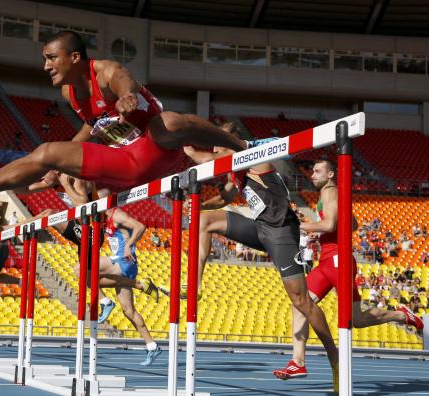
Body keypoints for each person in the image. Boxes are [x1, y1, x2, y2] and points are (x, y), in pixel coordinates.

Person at [0, 30, 268, 216]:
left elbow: (124, 81)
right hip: (125, 163)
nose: (45, 66)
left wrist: (128, 96)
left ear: (75, 57)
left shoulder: (107, 72)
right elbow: (94, 129)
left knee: (168, 123)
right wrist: (61, 160)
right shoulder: (71, 94)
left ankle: (243, 148)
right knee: (48, 151)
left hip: (159, 150)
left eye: (51, 58)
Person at [183, 141, 340, 390]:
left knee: (301, 302)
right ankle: (196, 285)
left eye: (218, 150)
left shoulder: (257, 162)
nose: (215, 154)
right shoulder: (238, 174)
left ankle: (334, 357)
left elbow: (206, 160)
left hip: (281, 233)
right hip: (259, 228)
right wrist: (199, 205)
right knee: (203, 221)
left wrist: (190, 150)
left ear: (230, 150)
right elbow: (224, 197)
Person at [273, 160, 424, 381]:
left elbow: (329, 225)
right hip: (326, 260)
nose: (312, 175)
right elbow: (351, 225)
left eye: (317, 171)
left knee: (357, 320)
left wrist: (298, 226)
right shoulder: (332, 194)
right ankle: (298, 363)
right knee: (300, 305)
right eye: (312, 171)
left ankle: (402, 315)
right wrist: (322, 234)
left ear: (331, 174)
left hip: (337, 261)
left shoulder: (330, 192)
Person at [48, 174, 162, 365]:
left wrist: (130, 245)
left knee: (80, 268)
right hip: (121, 267)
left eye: (96, 201)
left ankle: (109, 299)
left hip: (124, 261)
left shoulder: (116, 215)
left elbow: (140, 226)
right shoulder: (102, 220)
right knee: (128, 310)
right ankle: (152, 346)